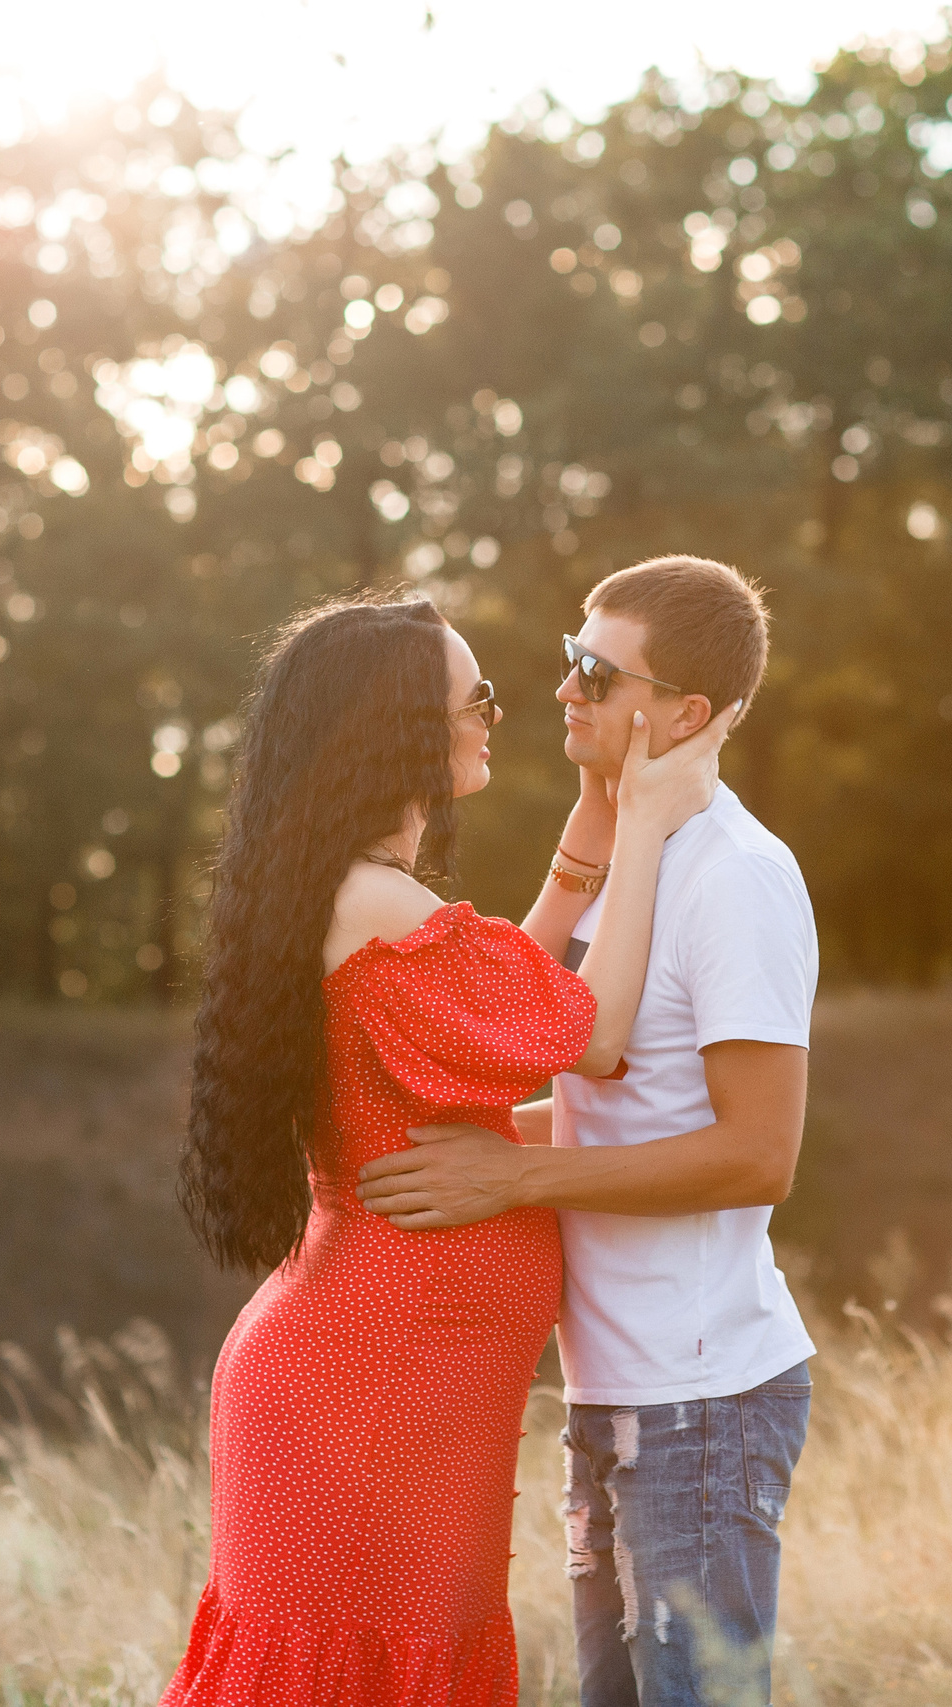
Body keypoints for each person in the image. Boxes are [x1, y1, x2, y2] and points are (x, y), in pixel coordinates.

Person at [161, 592, 736, 1707]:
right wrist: (653, 825)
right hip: (367, 1391)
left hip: (378, 1378)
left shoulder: (355, 891)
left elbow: (502, 1018)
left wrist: (591, 828)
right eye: (475, 700)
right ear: (398, 730)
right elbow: (592, 1035)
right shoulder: (374, 898)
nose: (495, 717)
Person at [356, 557, 817, 1707]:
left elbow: (760, 1154)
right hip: (613, 1389)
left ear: (683, 716)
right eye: (572, 658)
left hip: (701, 1400)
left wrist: (512, 1180)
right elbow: (604, 1083)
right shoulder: (633, 869)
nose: (563, 688)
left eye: (596, 673)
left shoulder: (737, 881)